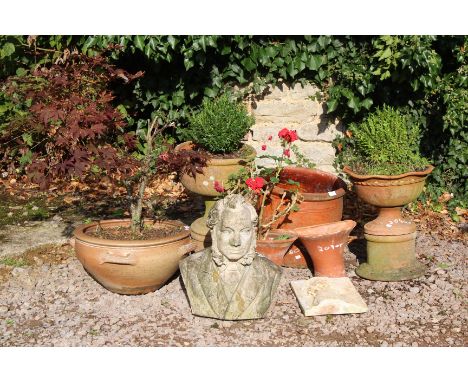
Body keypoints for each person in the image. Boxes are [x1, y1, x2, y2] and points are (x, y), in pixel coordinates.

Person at [179, 194, 282, 320]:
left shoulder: (270, 271)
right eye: (227, 231)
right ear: (214, 232)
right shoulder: (191, 266)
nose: (236, 242)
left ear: (253, 234)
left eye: (244, 231)